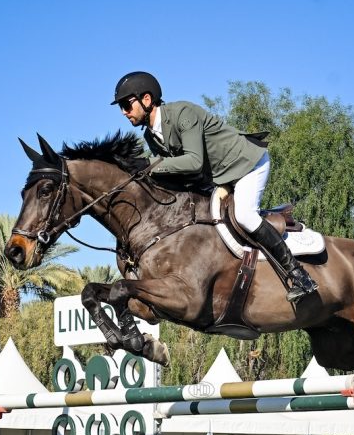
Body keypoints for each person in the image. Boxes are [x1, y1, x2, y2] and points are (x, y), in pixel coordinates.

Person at [111, 71, 318, 303]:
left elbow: (194, 162)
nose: (124, 112)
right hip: (221, 178)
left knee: (245, 216)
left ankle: (299, 276)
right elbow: (178, 172)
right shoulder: (152, 137)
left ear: (147, 99)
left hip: (247, 164)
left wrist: (150, 164)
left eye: (126, 105)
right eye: (121, 107)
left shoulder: (183, 114)